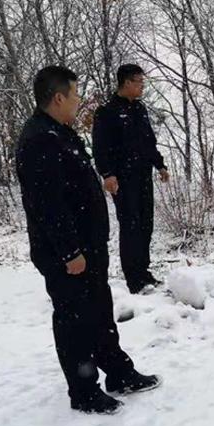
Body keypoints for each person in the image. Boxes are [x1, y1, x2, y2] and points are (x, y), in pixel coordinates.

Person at [16, 66, 159, 415]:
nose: (78, 102)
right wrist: (69, 251)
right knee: (73, 318)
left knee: (98, 310)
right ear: (58, 97)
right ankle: (83, 390)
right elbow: (48, 205)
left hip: (88, 247)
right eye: (75, 95)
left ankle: (118, 372)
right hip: (68, 253)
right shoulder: (38, 140)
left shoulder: (61, 132)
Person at [92, 64, 170, 294]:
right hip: (122, 178)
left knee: (146, 223)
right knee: (131, 224)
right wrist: (107, 174)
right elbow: (100, 147)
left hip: (143, 175)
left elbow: (148, 141)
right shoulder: (107, 112)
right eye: (139, 81)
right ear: (126, 82)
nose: (142, 85)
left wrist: (160, 164)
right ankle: (133, 278)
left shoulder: (140, 109)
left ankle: (144, 271)